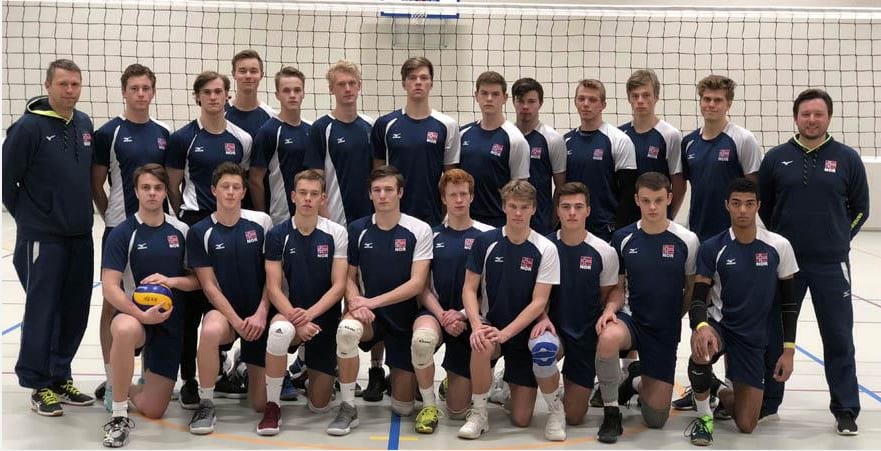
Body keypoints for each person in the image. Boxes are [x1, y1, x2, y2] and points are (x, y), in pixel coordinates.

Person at [758, 88, 869, 435]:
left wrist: (839, 238)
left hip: (831, 265)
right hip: (786, 267)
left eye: (818, 114)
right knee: (775, 334)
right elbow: (765, 205)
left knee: (838, 337)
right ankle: (768, 402)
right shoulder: (776, 158)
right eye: (805, 114)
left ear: (828, 118)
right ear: (796, 117)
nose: (811, 120)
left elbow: (861, 209)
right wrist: (783, 243)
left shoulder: (847, 158)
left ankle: (845, 408)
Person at [2, 58, 96, 416]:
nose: (70, 91)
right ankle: (37, 382)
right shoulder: (28, 127)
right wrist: (33, 219)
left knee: (75, 311)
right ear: (48, 85)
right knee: (43, 311)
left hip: (81, 235)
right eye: (63, 84)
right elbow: (7, 183)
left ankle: (60, 377)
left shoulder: (84, 123)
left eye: (75, 84)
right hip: (43, 237)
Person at [685, 178, 799, 446]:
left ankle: (717, 388)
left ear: (758, 206)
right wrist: (701, 327)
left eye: (749, 204)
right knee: (702, 348)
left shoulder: (779, 246)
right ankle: (704, 419)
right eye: (736, 204)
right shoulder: (713, 247)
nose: (743, 210)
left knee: (747, 425)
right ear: (727, 206)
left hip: (752, 337)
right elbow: (698, 300)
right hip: (721, 327)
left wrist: (788, 351)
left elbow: (789, 305)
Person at [165, 70, 253, 406]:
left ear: (227, 96)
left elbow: (241, 180)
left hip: (229, 223)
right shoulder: (183, 138)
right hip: (195, 222)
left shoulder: (242, 138)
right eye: (207, 92)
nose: (214, 97)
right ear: (198, 97)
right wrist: (185, 218)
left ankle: (230, 369)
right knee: (192, 306)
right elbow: (173, 183)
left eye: (219, 92)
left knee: (231, 297)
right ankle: (190, 378)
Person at [593, 172, 699, 443]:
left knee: (655, 419)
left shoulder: (687, 240)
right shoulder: (623, 237)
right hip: (631, 320)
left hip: (663, 329)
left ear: (669, 199)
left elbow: (690, 288)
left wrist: (675, 317)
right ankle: (611, 412)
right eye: (646, 200)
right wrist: (610, 311)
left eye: (658, 200)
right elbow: (618, 286)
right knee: (608, 337)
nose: (652, 207)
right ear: (637, 200)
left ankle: (634, 380)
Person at [327, 166, 433, 436]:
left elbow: (417, 284)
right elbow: (348, 277)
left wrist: (371, 302)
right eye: (377, 190)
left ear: (400, 192)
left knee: (403, 408)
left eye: (388, 190)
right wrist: (356, 302)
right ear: (370, 194)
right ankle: (348, 406)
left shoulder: (419, 229)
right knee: (346, 330)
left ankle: (403, 380)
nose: (383, 195)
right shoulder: (357, 229)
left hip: (402, 318)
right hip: (367, 316)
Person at [100, 164, 199, 447]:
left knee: (154, 409)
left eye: (157, 188)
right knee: (123, 328)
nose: (152, 193)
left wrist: (172, 281)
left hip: (170, 323)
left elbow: (198, 281)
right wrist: (140, 315)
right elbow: (110, 287)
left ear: (165, 192)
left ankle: (128, 385)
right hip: (136, 317)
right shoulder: (123, 233)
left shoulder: (181, 230)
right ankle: (118, 414)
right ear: (136, 192)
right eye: (146, 188)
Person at [91, 63, 172, 406]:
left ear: (153, 92)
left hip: (156, 230)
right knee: (113, 304)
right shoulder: (108, 133)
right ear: (124, 92)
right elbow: (96, 182)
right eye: (134, 88)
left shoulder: (164, 133)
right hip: (120, 229)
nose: (140, 94)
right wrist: (112, 218)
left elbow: (168, 181)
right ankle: (113, 381)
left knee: (154, 295)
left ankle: (145, 374)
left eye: (146, 88)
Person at [457, 180, 561, 441]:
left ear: (534, 209)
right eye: (513, 206)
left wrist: (506, 334)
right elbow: (469, 289)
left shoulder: (545, 248)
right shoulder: (485, 242)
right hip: (491, 324)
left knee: (522, 419)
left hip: (525, 331)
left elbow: (539, 302)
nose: (518, 213)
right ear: (504, 206)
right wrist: (477, 325)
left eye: (524, 207)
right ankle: (479, 414)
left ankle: (554, 410)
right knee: (480, 342)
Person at [256, 169, 348, 436]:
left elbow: (339, 286)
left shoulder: (336, 233)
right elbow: (273, 288)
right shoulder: (278, 234)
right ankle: (273, 406)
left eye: (314, 194)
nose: (308, 199)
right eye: (303, 193)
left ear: (323, 198)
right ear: (293, 196)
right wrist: (297, 319)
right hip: (288, 313)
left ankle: (305, 369)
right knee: (279, 331)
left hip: (323, 318)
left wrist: (309, 316)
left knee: (319, 406)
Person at [185, 163, 273, 435]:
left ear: (244, 192)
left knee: (259, 405)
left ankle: (242, 364)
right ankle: (206, 402)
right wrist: (236, 322)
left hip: (258, 315)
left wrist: (261, 313)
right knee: (210, 330)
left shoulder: (262, 223)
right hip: (225, 313)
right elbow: (209, 286)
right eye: (225, 186)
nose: (231, 192)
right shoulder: (200, 231)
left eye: (236, 187)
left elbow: (273, 278)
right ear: (214, 190)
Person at [529, 182, 619, 438]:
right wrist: (542, 316)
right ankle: (547, 401)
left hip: (584, 335)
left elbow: (610, 292)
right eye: (566, 207)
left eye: (578, 207)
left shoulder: (604, 251)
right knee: (542, 350)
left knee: (575, 417)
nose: (572, 213)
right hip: (551, 330)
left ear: (588, 210)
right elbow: (533, 295)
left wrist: (608, 310)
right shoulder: (543, 246)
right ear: (557, 210)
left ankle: (567, 390)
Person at [411, 169, 494, 434]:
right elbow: (422, 287)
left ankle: (455, 381)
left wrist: (461, 314)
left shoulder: (488, 236)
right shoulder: (430, 235)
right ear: (443, 198)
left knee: (457, 412)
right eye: (452, 195)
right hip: (436, 313)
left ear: (472, 197)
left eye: (463, 194)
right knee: (422, 340)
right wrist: (443, 315)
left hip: (471, 317)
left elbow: (488, 288)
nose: (458, 200)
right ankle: (428, 406)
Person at [372, 56, 459, 226]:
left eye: (424, 78)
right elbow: (378, 174)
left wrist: (448, 214)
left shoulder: (447, 125)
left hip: (432, 215)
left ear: (431, 83)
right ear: (403, 83)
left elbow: (451, 177)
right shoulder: (385, 124)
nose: (418, 82)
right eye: (412, 78)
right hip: (393, 216)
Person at [680, 75, 762, 241]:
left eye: (718, 100)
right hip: (697, 230)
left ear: (728, 104)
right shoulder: (689, 142)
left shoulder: (743, 139)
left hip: (734, 234)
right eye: (707, 99)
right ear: (700, 102)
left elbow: (755, 187)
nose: (711, 104)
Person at [564, 79, 638, 242]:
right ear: (575, 102)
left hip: (606, 230)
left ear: (603, 105)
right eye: (581, 99)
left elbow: (628, 193)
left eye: (592, 100)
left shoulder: (618, 140)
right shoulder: (565, 141)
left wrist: (618, 232)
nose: (586, 104)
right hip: (572, 228)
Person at [304, 60, 374, 226]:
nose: (348, 89)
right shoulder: (321, 128)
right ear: (331, 89)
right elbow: (315, 178)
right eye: (341, 84)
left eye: (352, 83)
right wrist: (324, 215)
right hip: (335, 218)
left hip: (369, 216)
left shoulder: (370, 126)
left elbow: (378, 172)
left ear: (359, 86)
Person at [459, 71, 530, 227]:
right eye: (484, 93)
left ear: (505, 98)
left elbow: (520, 190)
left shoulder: (515, 139)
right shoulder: (463, 134)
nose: (489, 99)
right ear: (476, 96)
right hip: (465, 220)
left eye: (495, 94)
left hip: (498, 222)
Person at [619, 69, 685, 218]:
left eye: (646, 95)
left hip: (657, 217)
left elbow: (679, 184)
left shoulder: (670, 135)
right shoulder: (619, 135)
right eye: (635, 96)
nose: (640, 100)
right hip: (625, 220)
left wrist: (669, 217)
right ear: (629, 98)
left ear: (656, 97)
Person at [250, 66, 312, 225]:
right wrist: (263, 218)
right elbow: (255, 179)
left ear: (303, 93)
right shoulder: (268, 131)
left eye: (297, 90)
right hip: (280, 217)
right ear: (277, 95)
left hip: (310, 214)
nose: (292, 95)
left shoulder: (311, 129)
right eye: (286, 90)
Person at [511, 77, 566, 235]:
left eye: (531, 101)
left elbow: (561, 186)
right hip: (508, 218)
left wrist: (553, 219)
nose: (525, 106)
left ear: (540, 103)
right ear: (513, 102)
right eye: (520, 101)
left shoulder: (553, 139)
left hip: (541, 222)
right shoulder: (507, 136)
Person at [225, 49, 277, 212]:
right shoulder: (221, 114)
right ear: (234, 74)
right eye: (242, 71)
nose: (248, 76)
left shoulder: (272, 117)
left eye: (253, 71)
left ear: (261, 75)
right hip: (229, 198)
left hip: (265, 198)